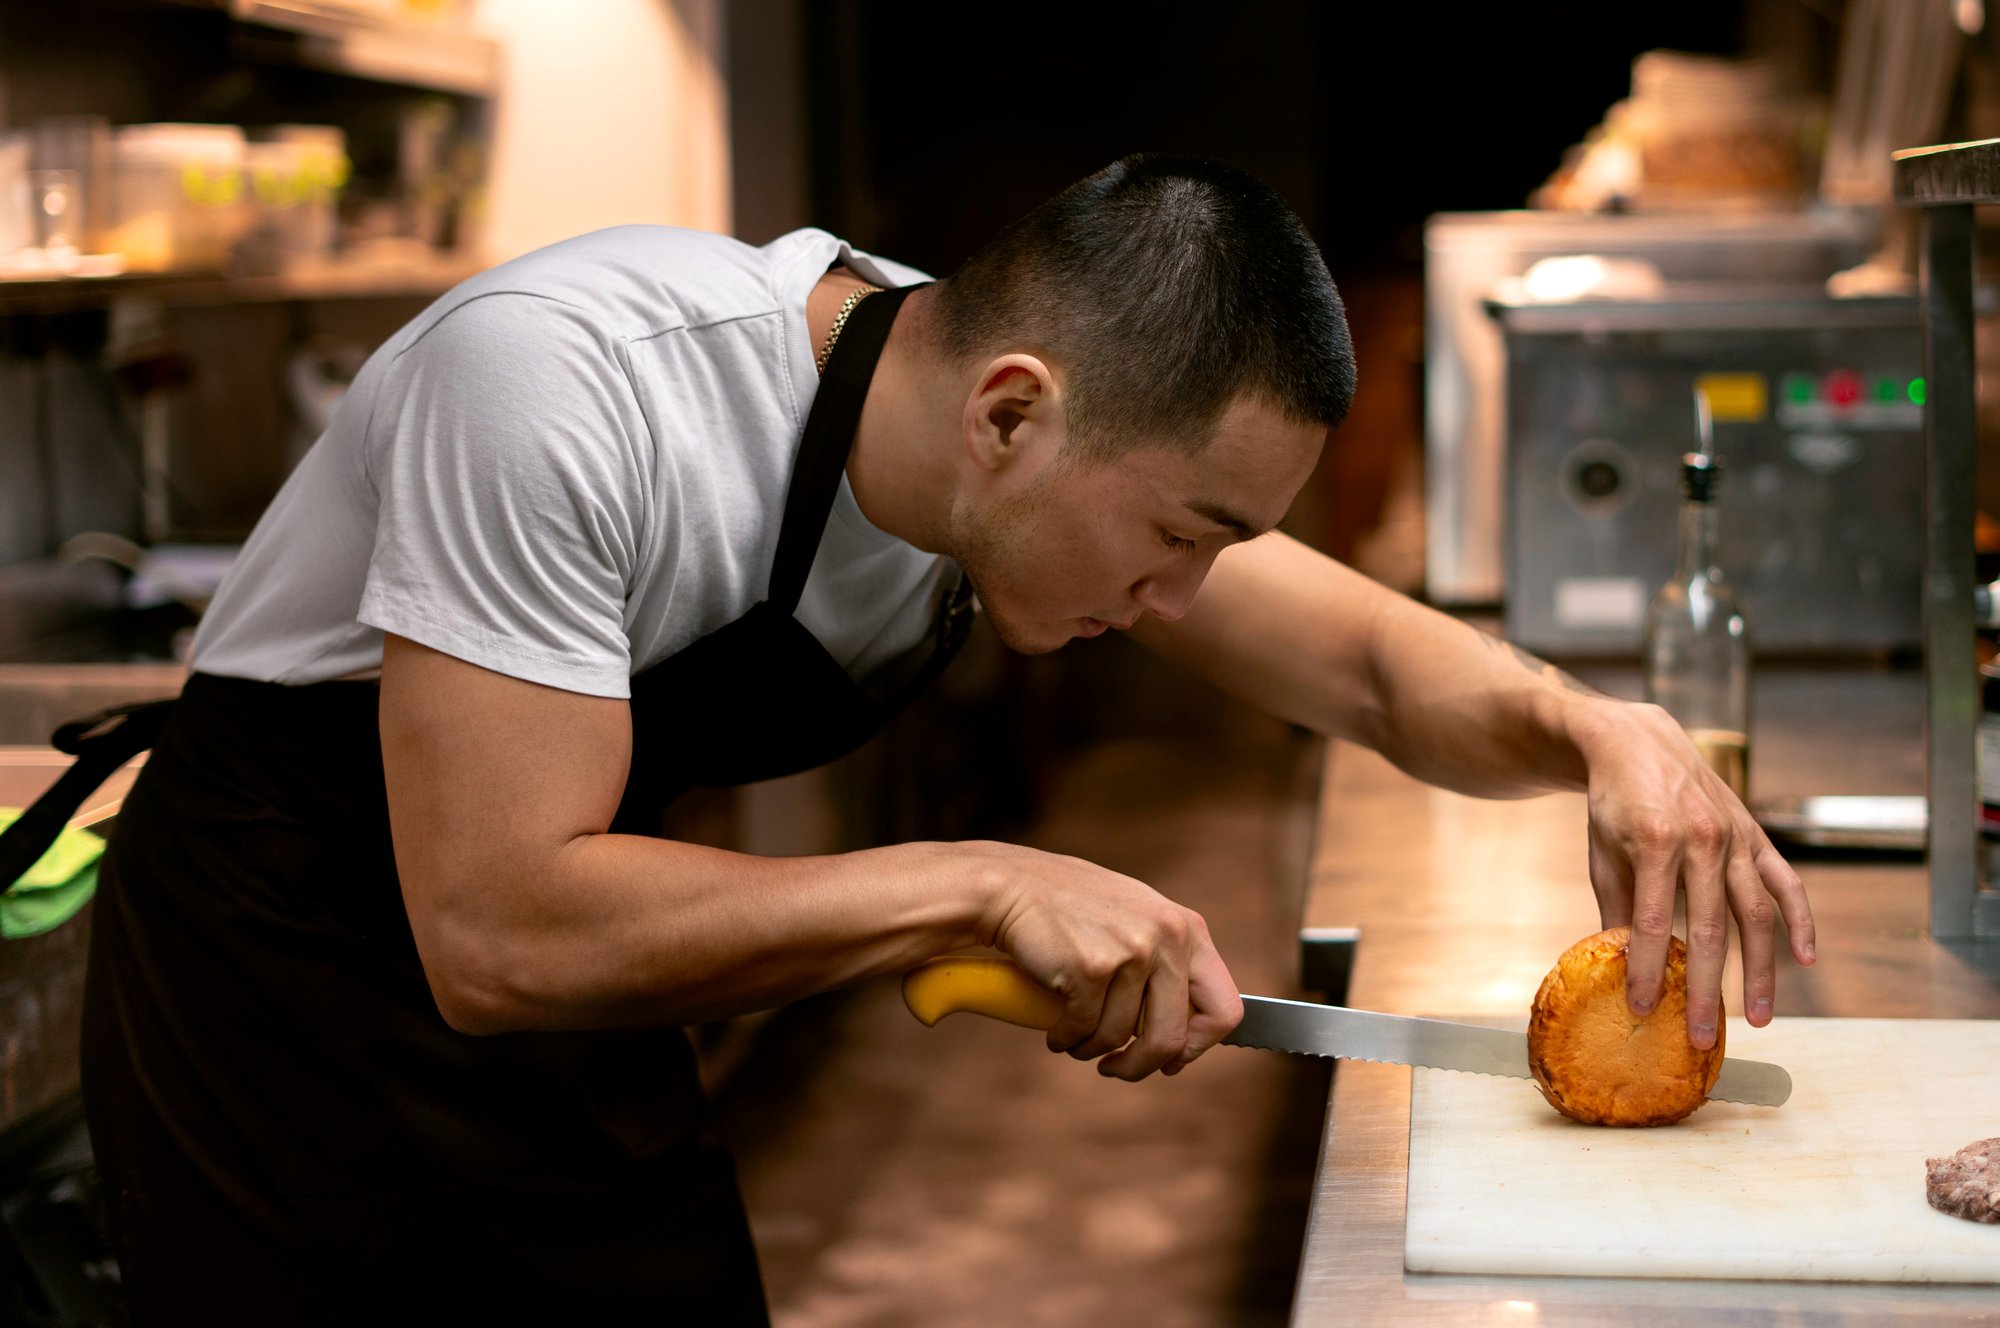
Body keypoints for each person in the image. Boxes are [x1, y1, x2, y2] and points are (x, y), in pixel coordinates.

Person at [24, 155, 1813, 1321]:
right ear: (1013, 413)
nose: (1188, 605)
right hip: (290, 1010)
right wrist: (978, 884)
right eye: (1181, 536)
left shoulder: (996, 445)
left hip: (588, 995)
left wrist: (1601, 726)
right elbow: (495, 928)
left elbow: (1367, 671)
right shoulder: (569, 389)